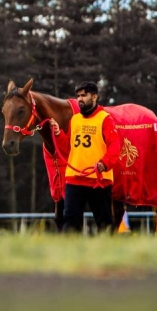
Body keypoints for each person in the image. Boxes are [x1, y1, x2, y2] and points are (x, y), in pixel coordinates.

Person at [62, 81, 120, 234]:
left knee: (104, 223)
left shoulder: (105, 119)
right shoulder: (74, 120)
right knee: (70, 221)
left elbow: (115, 147)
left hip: (99, 180)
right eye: (78, 96)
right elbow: (68, 148)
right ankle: (67, 256)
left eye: (84, 95)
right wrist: (57, 134)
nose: (79, 99)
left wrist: (104, 164)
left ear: (94, 97)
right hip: (74, 179)